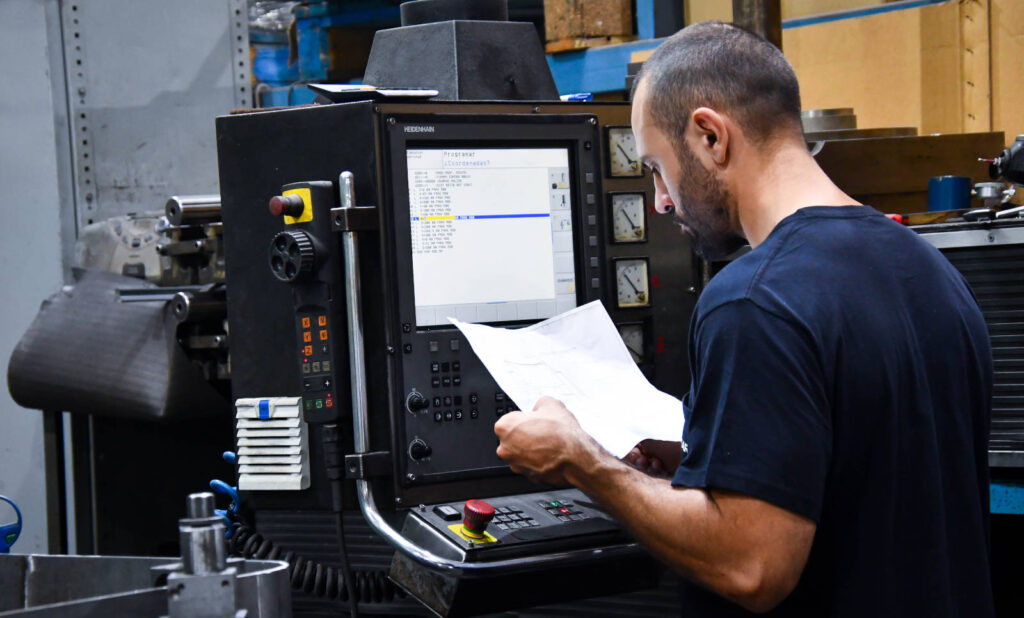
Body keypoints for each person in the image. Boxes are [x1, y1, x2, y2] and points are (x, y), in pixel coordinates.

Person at [494, 21, 994, 616]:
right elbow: (867, 471)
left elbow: (751, 566)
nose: (659, 200)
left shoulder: (753, 301)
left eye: (656, 167)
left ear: (710, 136)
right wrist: (706, 455)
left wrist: (582, 461)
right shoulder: (931, 270)